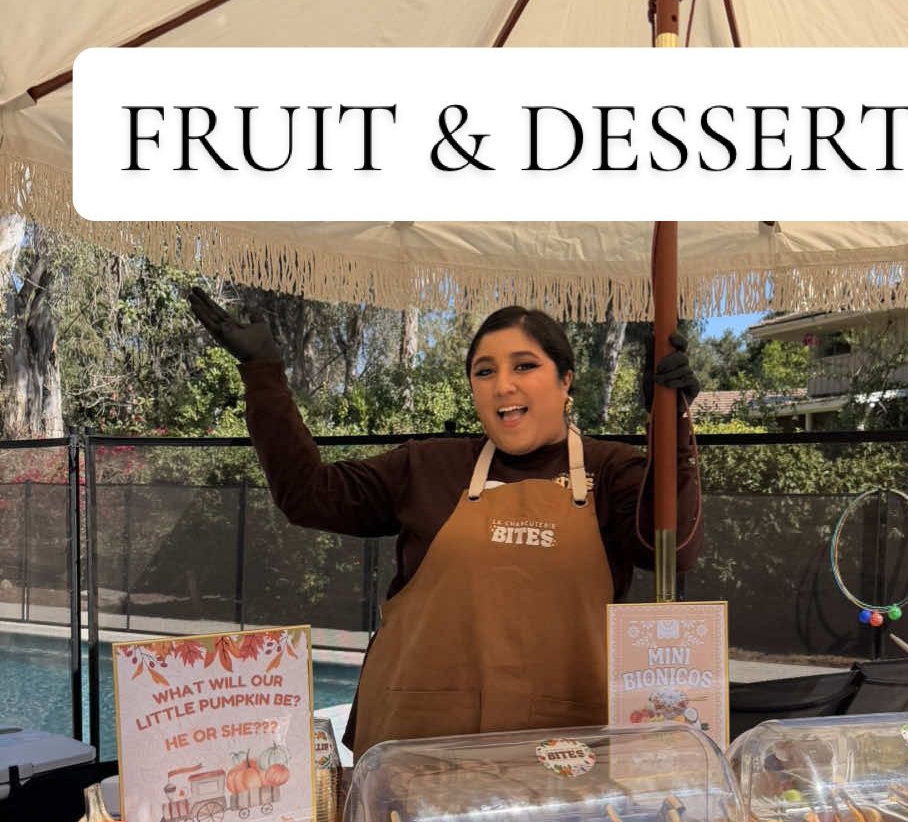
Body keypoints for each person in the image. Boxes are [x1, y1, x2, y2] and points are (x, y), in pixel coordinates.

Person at [188, 292, 703, 757]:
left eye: (525, 365)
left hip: (560, 752)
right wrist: (263, 372)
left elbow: (672, 548)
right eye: (484, 371)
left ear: (565, 380)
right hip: (416, 743)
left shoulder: (611, 471)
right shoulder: (427, 467)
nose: (504, 385)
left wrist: (669, 422)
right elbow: (307, 496)